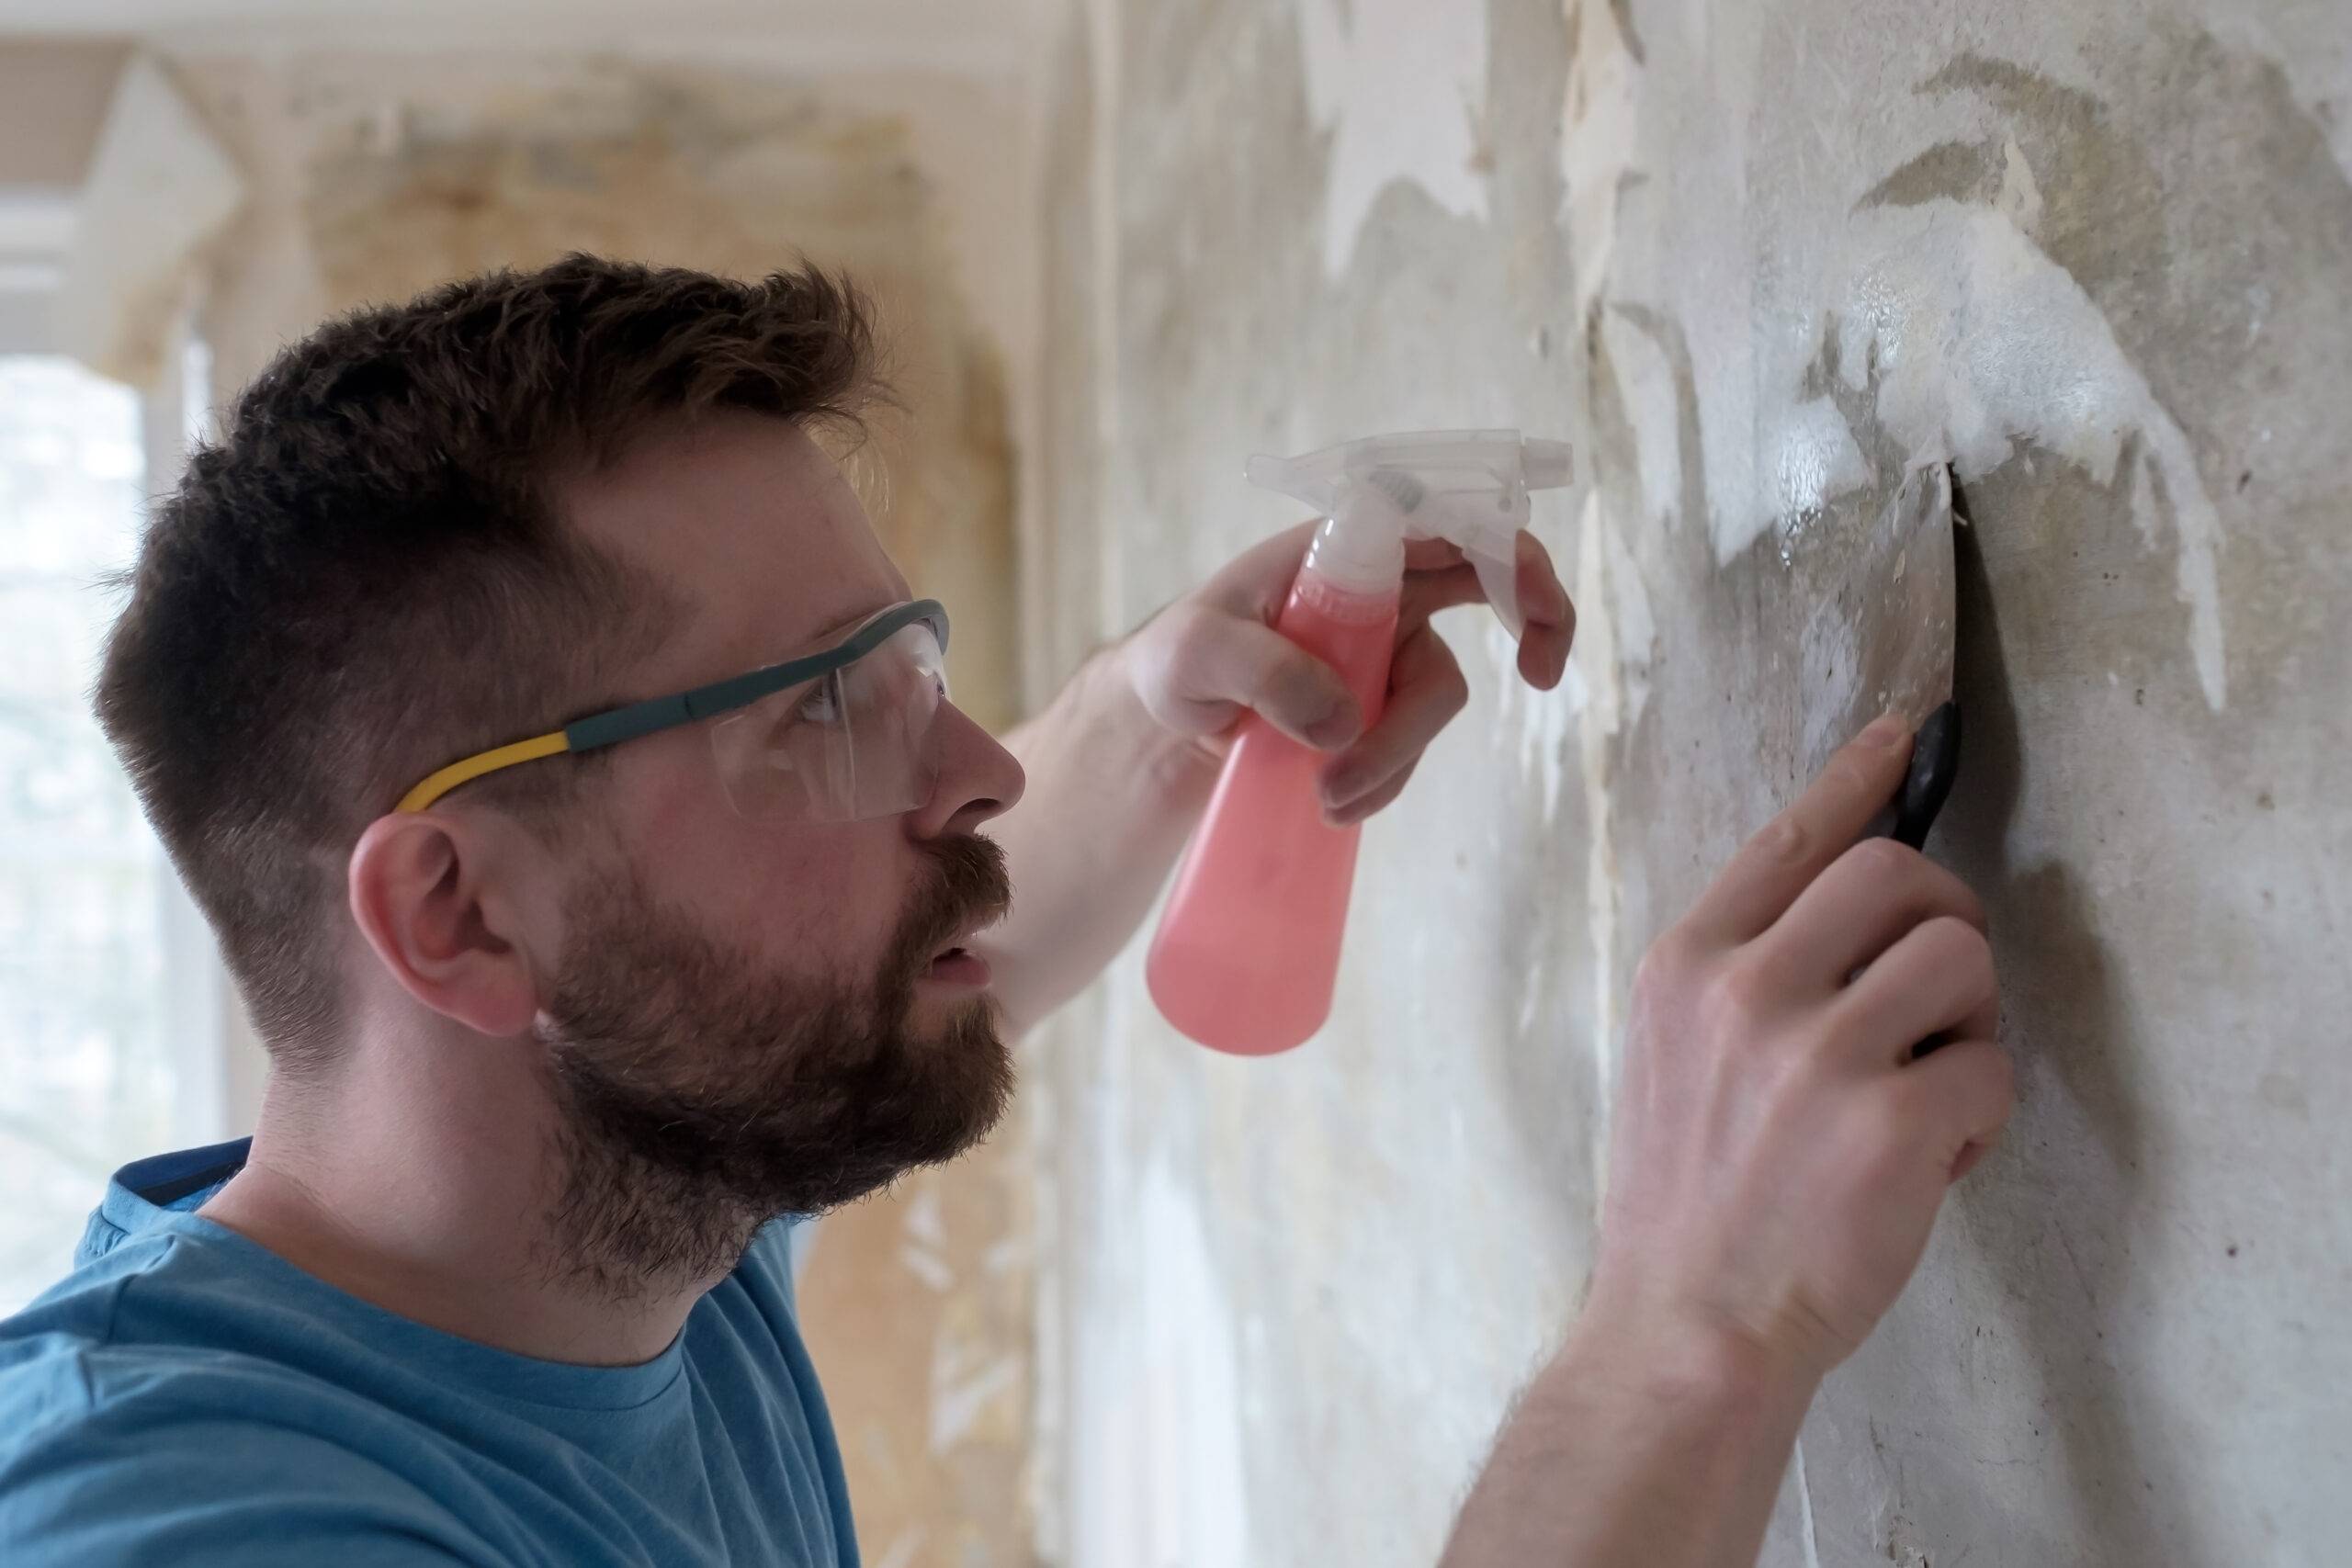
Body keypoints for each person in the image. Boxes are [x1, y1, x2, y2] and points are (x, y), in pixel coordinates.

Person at [0, 255, 2009, 1567]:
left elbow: (926, 940)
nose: (972, 768)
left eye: (910, 663)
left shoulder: (601, 1215)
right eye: (822, 710)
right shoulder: (200, 1524)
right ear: (462, 915)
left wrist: (1169, 713)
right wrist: (1687, 1327)